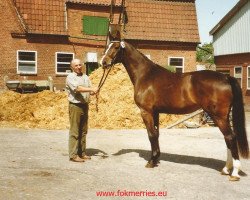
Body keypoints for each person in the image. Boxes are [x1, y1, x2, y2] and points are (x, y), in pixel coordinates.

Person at [66, 58, 98, 162]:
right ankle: (73, 155)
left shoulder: (85, 77)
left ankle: (82, 153)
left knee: (83, 131)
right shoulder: (70, 77)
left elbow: (89, 90)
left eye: (80, 65)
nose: (79, 67)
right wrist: (91, 89)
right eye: (76, 66)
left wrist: (93, 91)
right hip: (75, 106)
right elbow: (77, 89)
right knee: (75, 131)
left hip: (85, 105)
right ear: (72, 67)